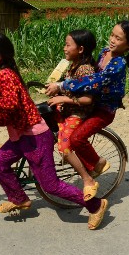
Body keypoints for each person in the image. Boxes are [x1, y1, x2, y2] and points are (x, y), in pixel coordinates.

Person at [0, 32, 108, 230]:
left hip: (35, 137)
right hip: (21, 135)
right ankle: (19, 198)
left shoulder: (7, 74)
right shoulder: (1, 71)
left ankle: (96, 205)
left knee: (51, 186)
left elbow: (11, 103)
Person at [46, 20, 129, 180]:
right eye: (112, 35)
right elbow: (90, 73)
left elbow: (94, 80)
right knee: (61, 125)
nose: (112, 40)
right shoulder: (104, 52)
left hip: (103, 110)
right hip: (92, 103)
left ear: (128, 45)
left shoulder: (118, 64)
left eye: (118, 38)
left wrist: (63, 86)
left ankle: (98, 163)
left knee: (77, 138)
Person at [45, 30, 100, 202]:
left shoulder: (85, 70)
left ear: (81, 49)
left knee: (65, 148)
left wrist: (63, 98)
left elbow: (87, 99)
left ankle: (87, 179)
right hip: (67, 110)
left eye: (68, 45)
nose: (64, 48)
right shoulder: (74, 64)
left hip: (77, 114)